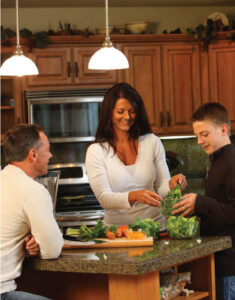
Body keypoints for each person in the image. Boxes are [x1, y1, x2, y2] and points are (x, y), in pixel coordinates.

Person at [85, 82, 187, 229]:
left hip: (155, 229)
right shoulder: (96, 151)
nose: (127, 116)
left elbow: (162, 188)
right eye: (120, 111)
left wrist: (172, 185)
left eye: (132, 111)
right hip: (117, 234)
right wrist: (135, 195)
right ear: (109, 112)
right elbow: (104, 198)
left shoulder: (152, 141)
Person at [172, 103, 235, 300]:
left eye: (204, 134)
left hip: (229, 265)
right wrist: (193, 206)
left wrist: (200, 202)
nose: (199, 141)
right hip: (220, 259)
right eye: (197, 135)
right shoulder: (217, 160)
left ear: (223, 129)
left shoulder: (232, 161)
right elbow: (219, 206)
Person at [1, 124, 64, 300]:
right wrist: (39, 243)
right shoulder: (33, 191)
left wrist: (30, 243)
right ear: (33, 154)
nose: (51, 155)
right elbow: (52, 249)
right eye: (48, 149)